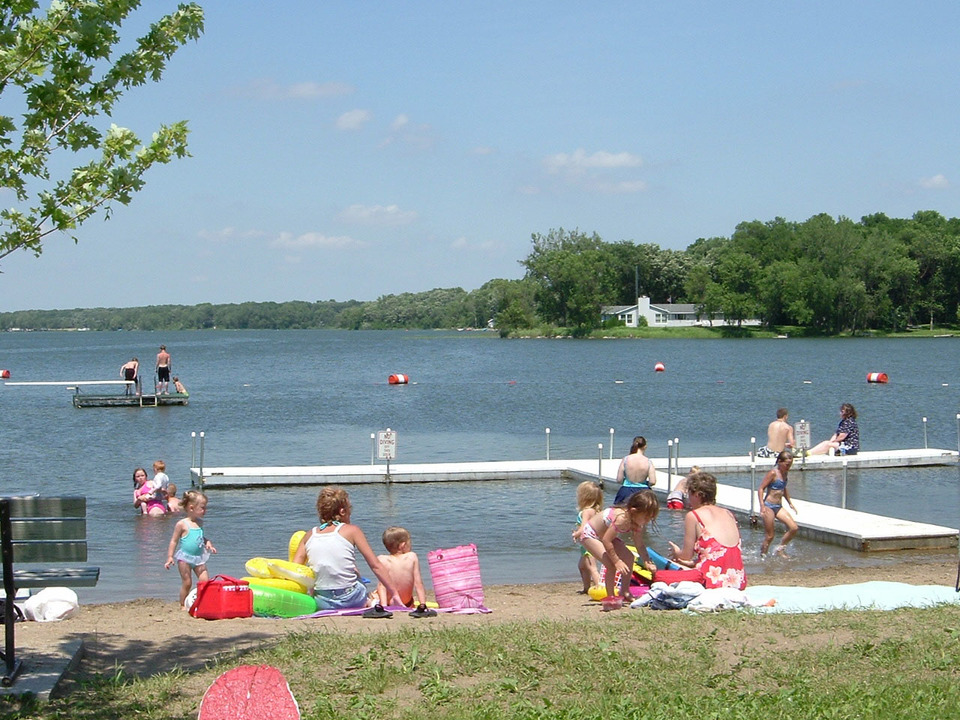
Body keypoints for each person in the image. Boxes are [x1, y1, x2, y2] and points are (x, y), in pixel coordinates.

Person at [292, 486, 402, 611]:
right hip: (351, 598)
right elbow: (375, 565)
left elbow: (295, 570)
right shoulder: (353, 530)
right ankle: (370, 601)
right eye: (350, 509)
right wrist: (394, 594)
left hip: (322, 602)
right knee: (355, 572)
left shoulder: (309, 535)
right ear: (343, 511)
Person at [572, 490, 659, 604]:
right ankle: (611, 597)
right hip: (590, 534)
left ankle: (624, 591)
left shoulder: (637, 522)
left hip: (604, 535)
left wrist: (647, 561)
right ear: (634, 511)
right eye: (646, 517)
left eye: (650, 518)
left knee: (629, 557)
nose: (647, 521)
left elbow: (640, 544)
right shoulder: (621, 518)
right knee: (611, 565)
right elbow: (606, 541)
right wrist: (617, 561)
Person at [667, 471, 747, 589]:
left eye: (689, 495)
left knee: (663, 572)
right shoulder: (728, 513)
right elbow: (720, 554)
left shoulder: (694, 516)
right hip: (738, 581)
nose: (688, 500)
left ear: (697, 495)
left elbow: (686, 556)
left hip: (710, 582)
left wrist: (676, 552)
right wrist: (693, 563)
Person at [165, 489, 217, 606]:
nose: (205, 511)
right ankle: (183, 604)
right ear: (192, 508)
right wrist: (170, 557)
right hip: (185, 559)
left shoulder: (200, 522)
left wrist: (208, 542)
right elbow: (174, 541)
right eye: (202, 508)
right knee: (187, 582)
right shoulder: (182, 524)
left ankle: (199, 601)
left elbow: (200, 537)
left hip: (199, 558)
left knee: (205, 581)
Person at [372, 527, 430, 613]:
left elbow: (382, 586)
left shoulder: (382, 559)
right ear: (403, 545)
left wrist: (384, 606)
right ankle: (422, 605)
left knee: (374, 595)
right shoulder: (412, 557)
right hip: (407, 603)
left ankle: (382, 606)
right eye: (409, 543)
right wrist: (423, 604)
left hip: (388, 603)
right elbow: (418, 584)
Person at [758, 449, 799, 555]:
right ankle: (763, 555)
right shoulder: (773, 473)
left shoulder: (785, 473)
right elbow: (761, 488)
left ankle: (779, 549)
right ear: (780, 462)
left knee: (794, 528)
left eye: (790, 465)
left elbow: (783, 488)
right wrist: (762, 506)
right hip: (768, 506)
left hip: (778, 506)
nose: (788, 467)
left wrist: (789, 502)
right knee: (770, 536)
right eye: (786, 464)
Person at [573, 481, 603, 593]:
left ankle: (601, 588)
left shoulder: (586, 512)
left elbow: (584, 527)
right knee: (582, 566)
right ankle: (586, 588)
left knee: (592, 568)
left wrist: (576, 534)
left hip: (589, 544)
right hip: (587, 545)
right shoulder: (596, 511)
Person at [613, 435, 657, 505]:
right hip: (643, 492)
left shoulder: (626, 459)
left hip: (626, 490)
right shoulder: (648, 461)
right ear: (645, 446)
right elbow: (653, 481)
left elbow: (619, 479)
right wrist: (644, 483)